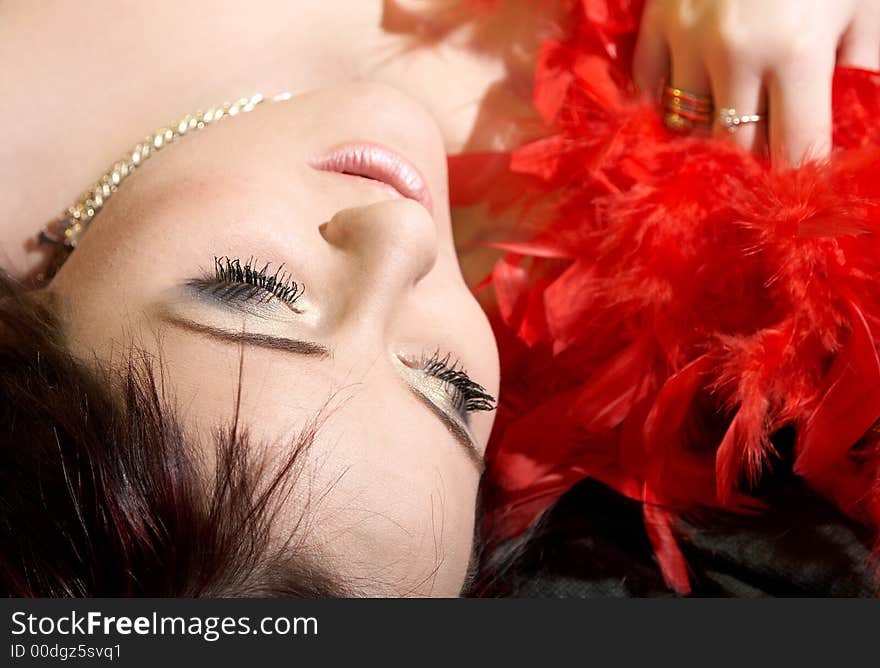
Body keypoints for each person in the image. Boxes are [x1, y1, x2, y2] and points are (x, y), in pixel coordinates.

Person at [2, 0, 879, 598]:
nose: (405, 243)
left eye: (253, 293)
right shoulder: (695, 274)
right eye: (449, 391)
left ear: (29, 334)